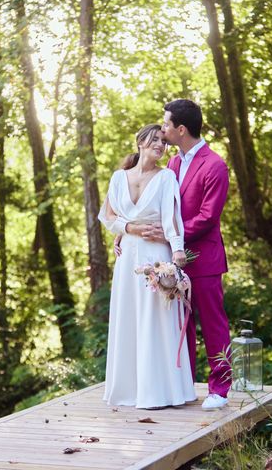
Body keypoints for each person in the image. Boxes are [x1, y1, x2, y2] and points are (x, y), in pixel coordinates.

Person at [115, 100, 232, 410]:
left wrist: (167, 235)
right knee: (176, 325)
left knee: (212, 324)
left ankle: (219, 389)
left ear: (181, 129)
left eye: (165, 125)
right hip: (168, 260)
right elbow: (158, 207)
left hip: (203, 260)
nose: (162, 129)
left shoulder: (215, 165)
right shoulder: (173, 165)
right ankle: (182, 386)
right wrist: (127, 230)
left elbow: (208, 216)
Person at [99, 123, 196, 409]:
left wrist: (178, 252)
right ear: (140, 142)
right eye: (154, 140)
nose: (160, 145)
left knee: (157, 318)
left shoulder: (166, 178)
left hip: (156, 255)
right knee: (129, 317)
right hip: (128, 256)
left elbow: (172, 218)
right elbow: (108, 216)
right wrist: (130, 228)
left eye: (163, 142)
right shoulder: (119, 178)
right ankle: (129, 390)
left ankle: (161, 392)